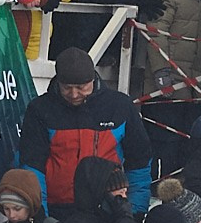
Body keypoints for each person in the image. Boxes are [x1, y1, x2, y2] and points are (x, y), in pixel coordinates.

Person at [15, 45, 154, 210]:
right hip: (57, 209)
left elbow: (139, 161)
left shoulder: (120, 106)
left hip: (108, 209)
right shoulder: (40, 109)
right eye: (66, 87)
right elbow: (32, 166)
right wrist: (39, 214)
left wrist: (135, 211)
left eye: (81, 88)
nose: (74, 94)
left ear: (93, 81)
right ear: (58, 82)